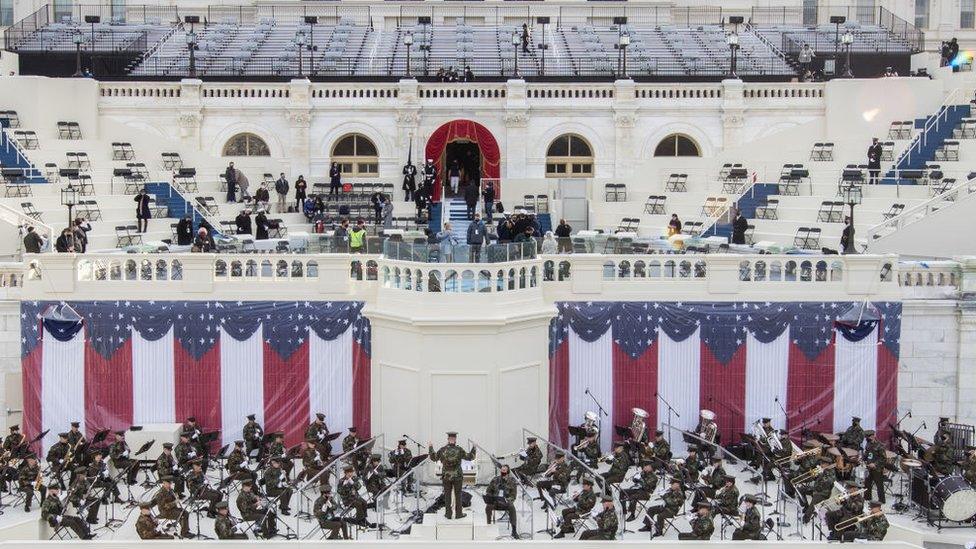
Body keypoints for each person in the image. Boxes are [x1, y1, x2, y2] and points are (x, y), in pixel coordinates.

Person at [428, 432, 476, 519]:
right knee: (458, 495)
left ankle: (448, 514)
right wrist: (474, 447)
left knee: (447, 495)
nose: (452, 440)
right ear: (455, 440)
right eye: (453, 439)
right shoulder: (459, 449)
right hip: (457, 476)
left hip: (446, 477)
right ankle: (458, 514)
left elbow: (433, 457)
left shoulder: (442, 450)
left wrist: (431, 447)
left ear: (448, 439)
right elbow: (470, 457)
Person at [485, 464, 518, 538]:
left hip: (505, 502)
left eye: (504, 470)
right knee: (488, 507)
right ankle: (489, 525)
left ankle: (514, 530)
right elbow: (488, 491)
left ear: (508, 472)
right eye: (502, 470)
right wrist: (489, 497)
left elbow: (513, 495)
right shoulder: (495, 479)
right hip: (495, 501)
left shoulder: (512, 481)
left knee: (512, 507)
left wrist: (507, 500)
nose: (502, 472)